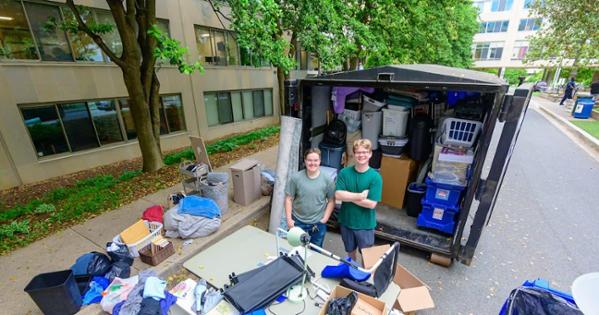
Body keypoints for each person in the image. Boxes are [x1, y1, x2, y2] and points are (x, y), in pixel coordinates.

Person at [335, 139, 383, 262]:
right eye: (358, 152)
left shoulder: (375, 177)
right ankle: (352, 276)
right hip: (347, 221)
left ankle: (365, 278)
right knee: (350, 253)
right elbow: (338, 195)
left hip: (365, 224)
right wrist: (360, 196)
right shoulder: (345, 173)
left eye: (365, 152)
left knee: (367, 257)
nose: (361, 155)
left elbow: (371, 204)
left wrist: (348, 196)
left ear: (370, 154)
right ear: (354, 154)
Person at [285, 148, 335, 247]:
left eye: (315, 160)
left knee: (316, 250)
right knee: (296, 249)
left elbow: (331, 200)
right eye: (309, 160)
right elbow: (288, 199)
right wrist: (289, 219)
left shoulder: (327, 180)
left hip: (318, 223)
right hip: (298, 221)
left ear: (320, 161)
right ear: (305, 160)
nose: (312, 163)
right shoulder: (296, 178)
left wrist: (325, 218)